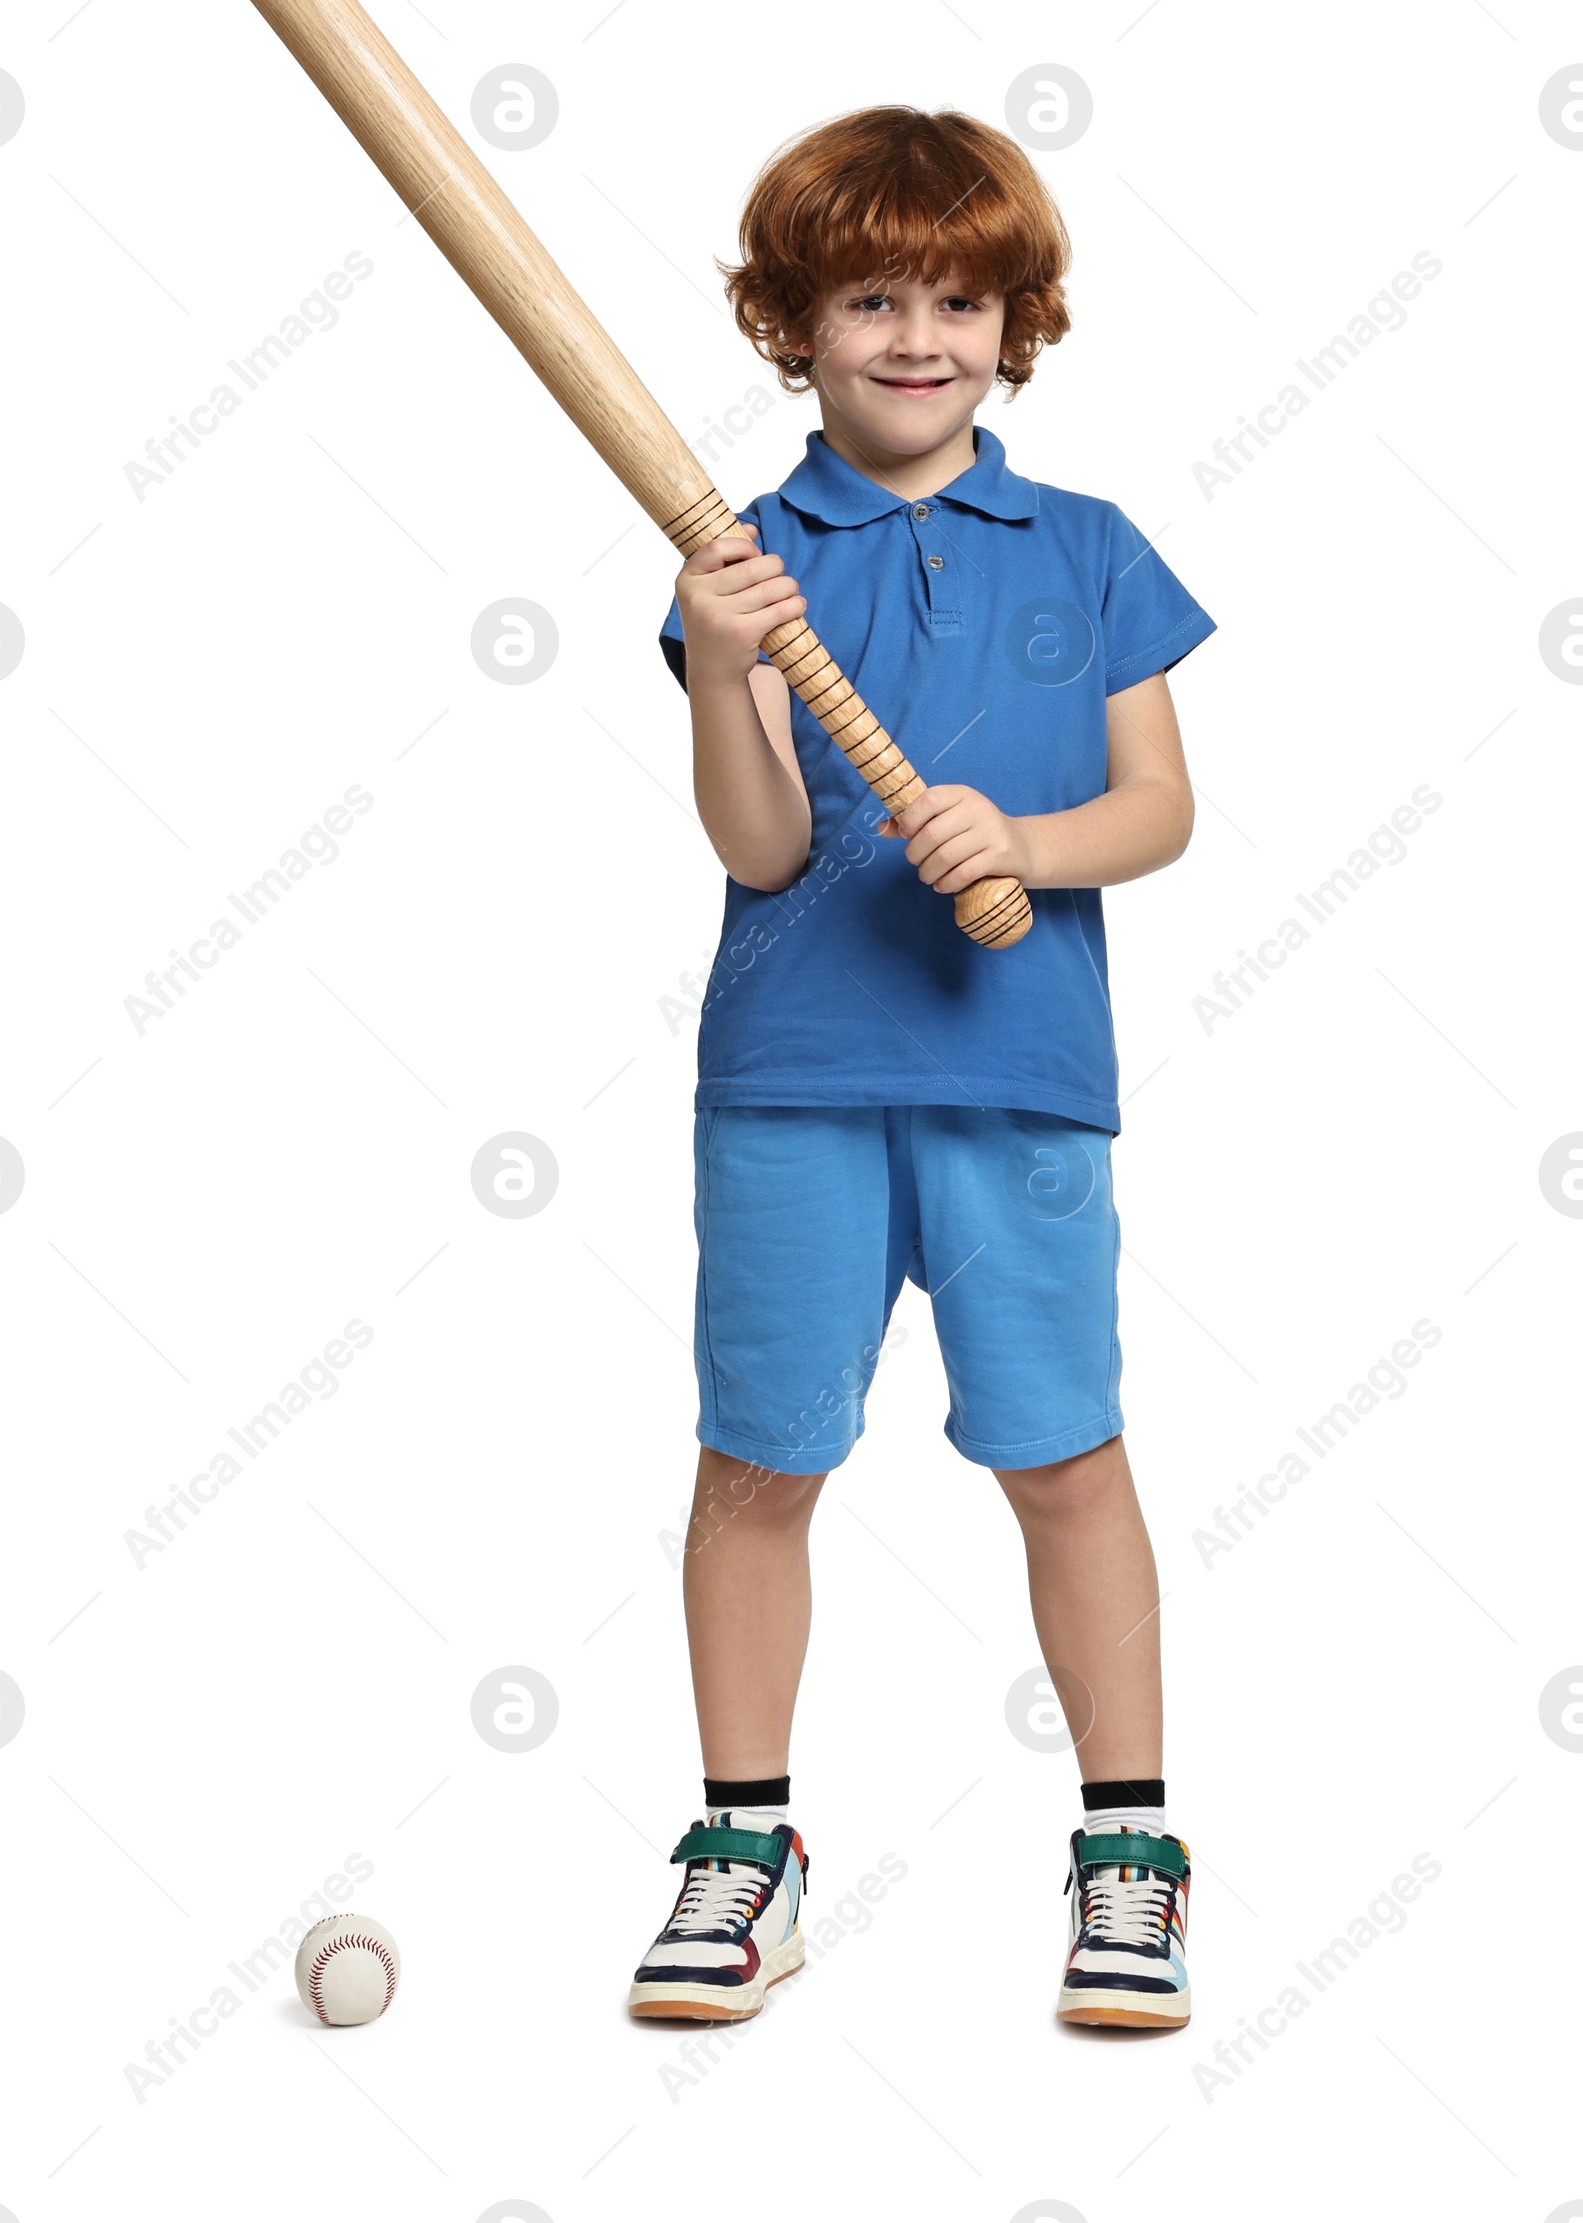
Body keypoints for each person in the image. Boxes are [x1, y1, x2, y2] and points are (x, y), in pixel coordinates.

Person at [627, 107, 1214, 2031]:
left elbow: (1157, 811)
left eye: (957, 299)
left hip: (1025, 1083)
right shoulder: (745, 559)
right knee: (758, 1460)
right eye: (867, 295)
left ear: (1015, 322)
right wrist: (725, 668)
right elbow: (762, 849)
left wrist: (1025, 849)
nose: (914, 335)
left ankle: (1130, 1854)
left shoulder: (1095, 546)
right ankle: (746, 1851)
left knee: (1066, 1455)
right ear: (789, 322)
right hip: (791, 1078)